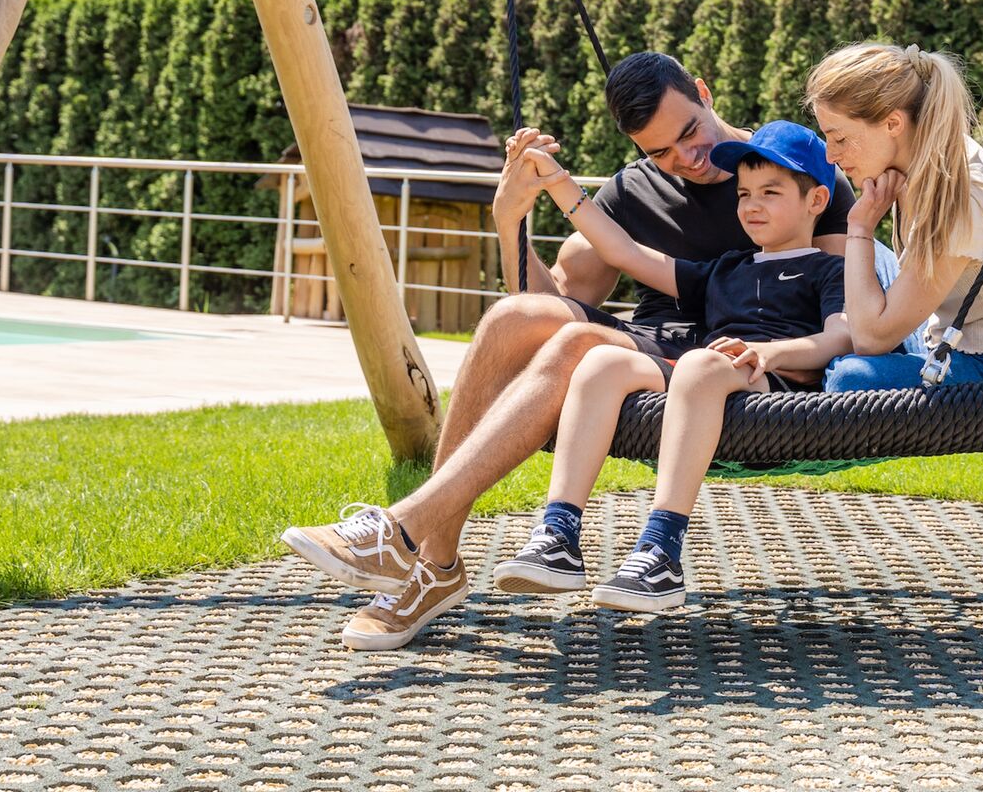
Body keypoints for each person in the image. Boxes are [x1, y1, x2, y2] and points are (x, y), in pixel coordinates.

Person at [277, 53, 859, 650]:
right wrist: (511, 221)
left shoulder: (798, 171)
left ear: (705, 94)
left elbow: (842, 297)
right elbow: (545, 300)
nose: (685, 158)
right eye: (659, 152)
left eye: (688, 132)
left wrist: (786, 353)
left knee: (580, 341)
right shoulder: (633, 192)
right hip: (650, 346)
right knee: (511, 317)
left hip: (736, 363)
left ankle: (403, 534)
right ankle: (433, 561)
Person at [490, 121, 851, 611]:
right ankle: (559, 534)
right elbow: (621, 250)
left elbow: (842, 335)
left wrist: (772, 353)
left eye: (771, 192)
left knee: (701, 364)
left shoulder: (829, 269)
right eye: (744, 193)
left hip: (776, 384)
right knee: (601, 362)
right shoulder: (726, 269)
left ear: (815, 201)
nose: (752, 205)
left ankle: (661, 551)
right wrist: (556, 180)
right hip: (707, 374)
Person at [808, 42, 983, 392]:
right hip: (950, 344)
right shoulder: (920, 162)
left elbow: (870, 339)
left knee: (851, 380)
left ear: (893, 123)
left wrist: (860, 228)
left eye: (839, 138)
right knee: (830, 361)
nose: (831, 156)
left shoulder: (962, 195)